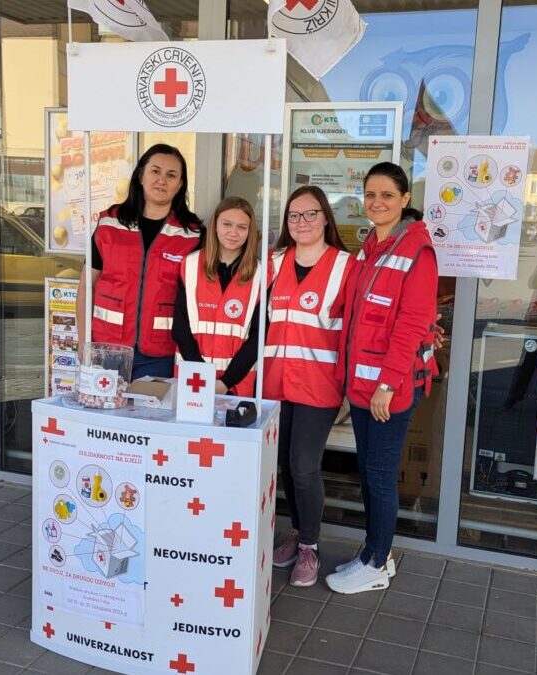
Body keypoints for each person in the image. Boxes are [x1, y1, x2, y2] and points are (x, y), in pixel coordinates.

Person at [326, 162, 438, 594]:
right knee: (369, 473)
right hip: (360, 386)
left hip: (387, 391)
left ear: (405, 200)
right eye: (370, 195)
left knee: (379, 474)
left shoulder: (417, 251)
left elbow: (411, 325)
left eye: (387, 196)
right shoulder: (369, 247)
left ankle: (375, 564)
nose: (377, 203)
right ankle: (376, 552)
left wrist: (388, 385)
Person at [267, 185, 356, 587]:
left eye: (310, 214)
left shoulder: (345, 266)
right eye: (294, 216)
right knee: (284, 464)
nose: (302, 222)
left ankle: (310, 547)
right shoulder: (274, 262)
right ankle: (297, 532)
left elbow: (357, 327)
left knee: (304, 467)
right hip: (273, 384)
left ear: (325, 218)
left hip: (319, 387)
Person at [76, 143, 203, 380]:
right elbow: (86, 286)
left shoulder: (192, 235)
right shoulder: (109, 225)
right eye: (155, 171)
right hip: (106, 350)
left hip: (160, 356)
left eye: (171, 175)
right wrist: (84, 345)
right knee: (105, 415)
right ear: (141, 176)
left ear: (180, 184)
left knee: (151, 416)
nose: (162, 180)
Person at [172, 196, 261, 396]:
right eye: (227, 224)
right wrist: (202, 374)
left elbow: (258, 337)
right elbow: (180, 327)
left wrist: (225, 382)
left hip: (236, 384)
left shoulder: (261, 274)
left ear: (250, 232)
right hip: (193, 378)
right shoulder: (191, 265)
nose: (233, 232)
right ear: (215, 225)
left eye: (242, 227)